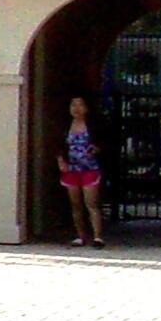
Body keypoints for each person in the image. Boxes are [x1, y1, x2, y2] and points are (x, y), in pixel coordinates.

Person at [59, 95, 105, 247]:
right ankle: (80, 236)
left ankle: (97, 236)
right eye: (73, 105)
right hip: (71, 169)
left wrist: (97, 149)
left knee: (91, 203)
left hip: (90, 168)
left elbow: (103, 142)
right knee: (76, 204)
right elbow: (58, 145)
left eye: (80, 105)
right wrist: (60, 161)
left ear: (87, 108)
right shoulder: (65, 126)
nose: (76, 109)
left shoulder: (93, 125)